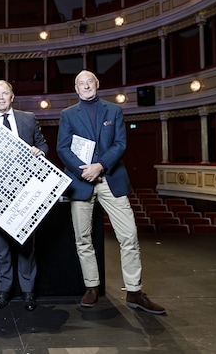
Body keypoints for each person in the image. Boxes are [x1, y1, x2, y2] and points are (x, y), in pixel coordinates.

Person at [56, 70, 166, 315]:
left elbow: (120, 144)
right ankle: (92, 287)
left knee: (129, 235)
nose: (86, 86)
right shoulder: (67, 115)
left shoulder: (114, 110)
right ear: (76, 89)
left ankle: (135, 291)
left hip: (110, 178)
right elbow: (63, 148)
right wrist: (84, 170)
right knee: (83, 239)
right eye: (81, 83)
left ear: (97, 84)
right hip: (81, 180)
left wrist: (101, 165)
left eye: (89, 82)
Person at [0, 80, 48, 311]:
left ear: (12, 96)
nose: (0, 97)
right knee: (2, 247)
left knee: (27, 245)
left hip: (26, 192)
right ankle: (3, 292)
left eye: (4, 93)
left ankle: (28, 293)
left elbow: (43, 145)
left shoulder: (28, 119)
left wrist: (39, 152)